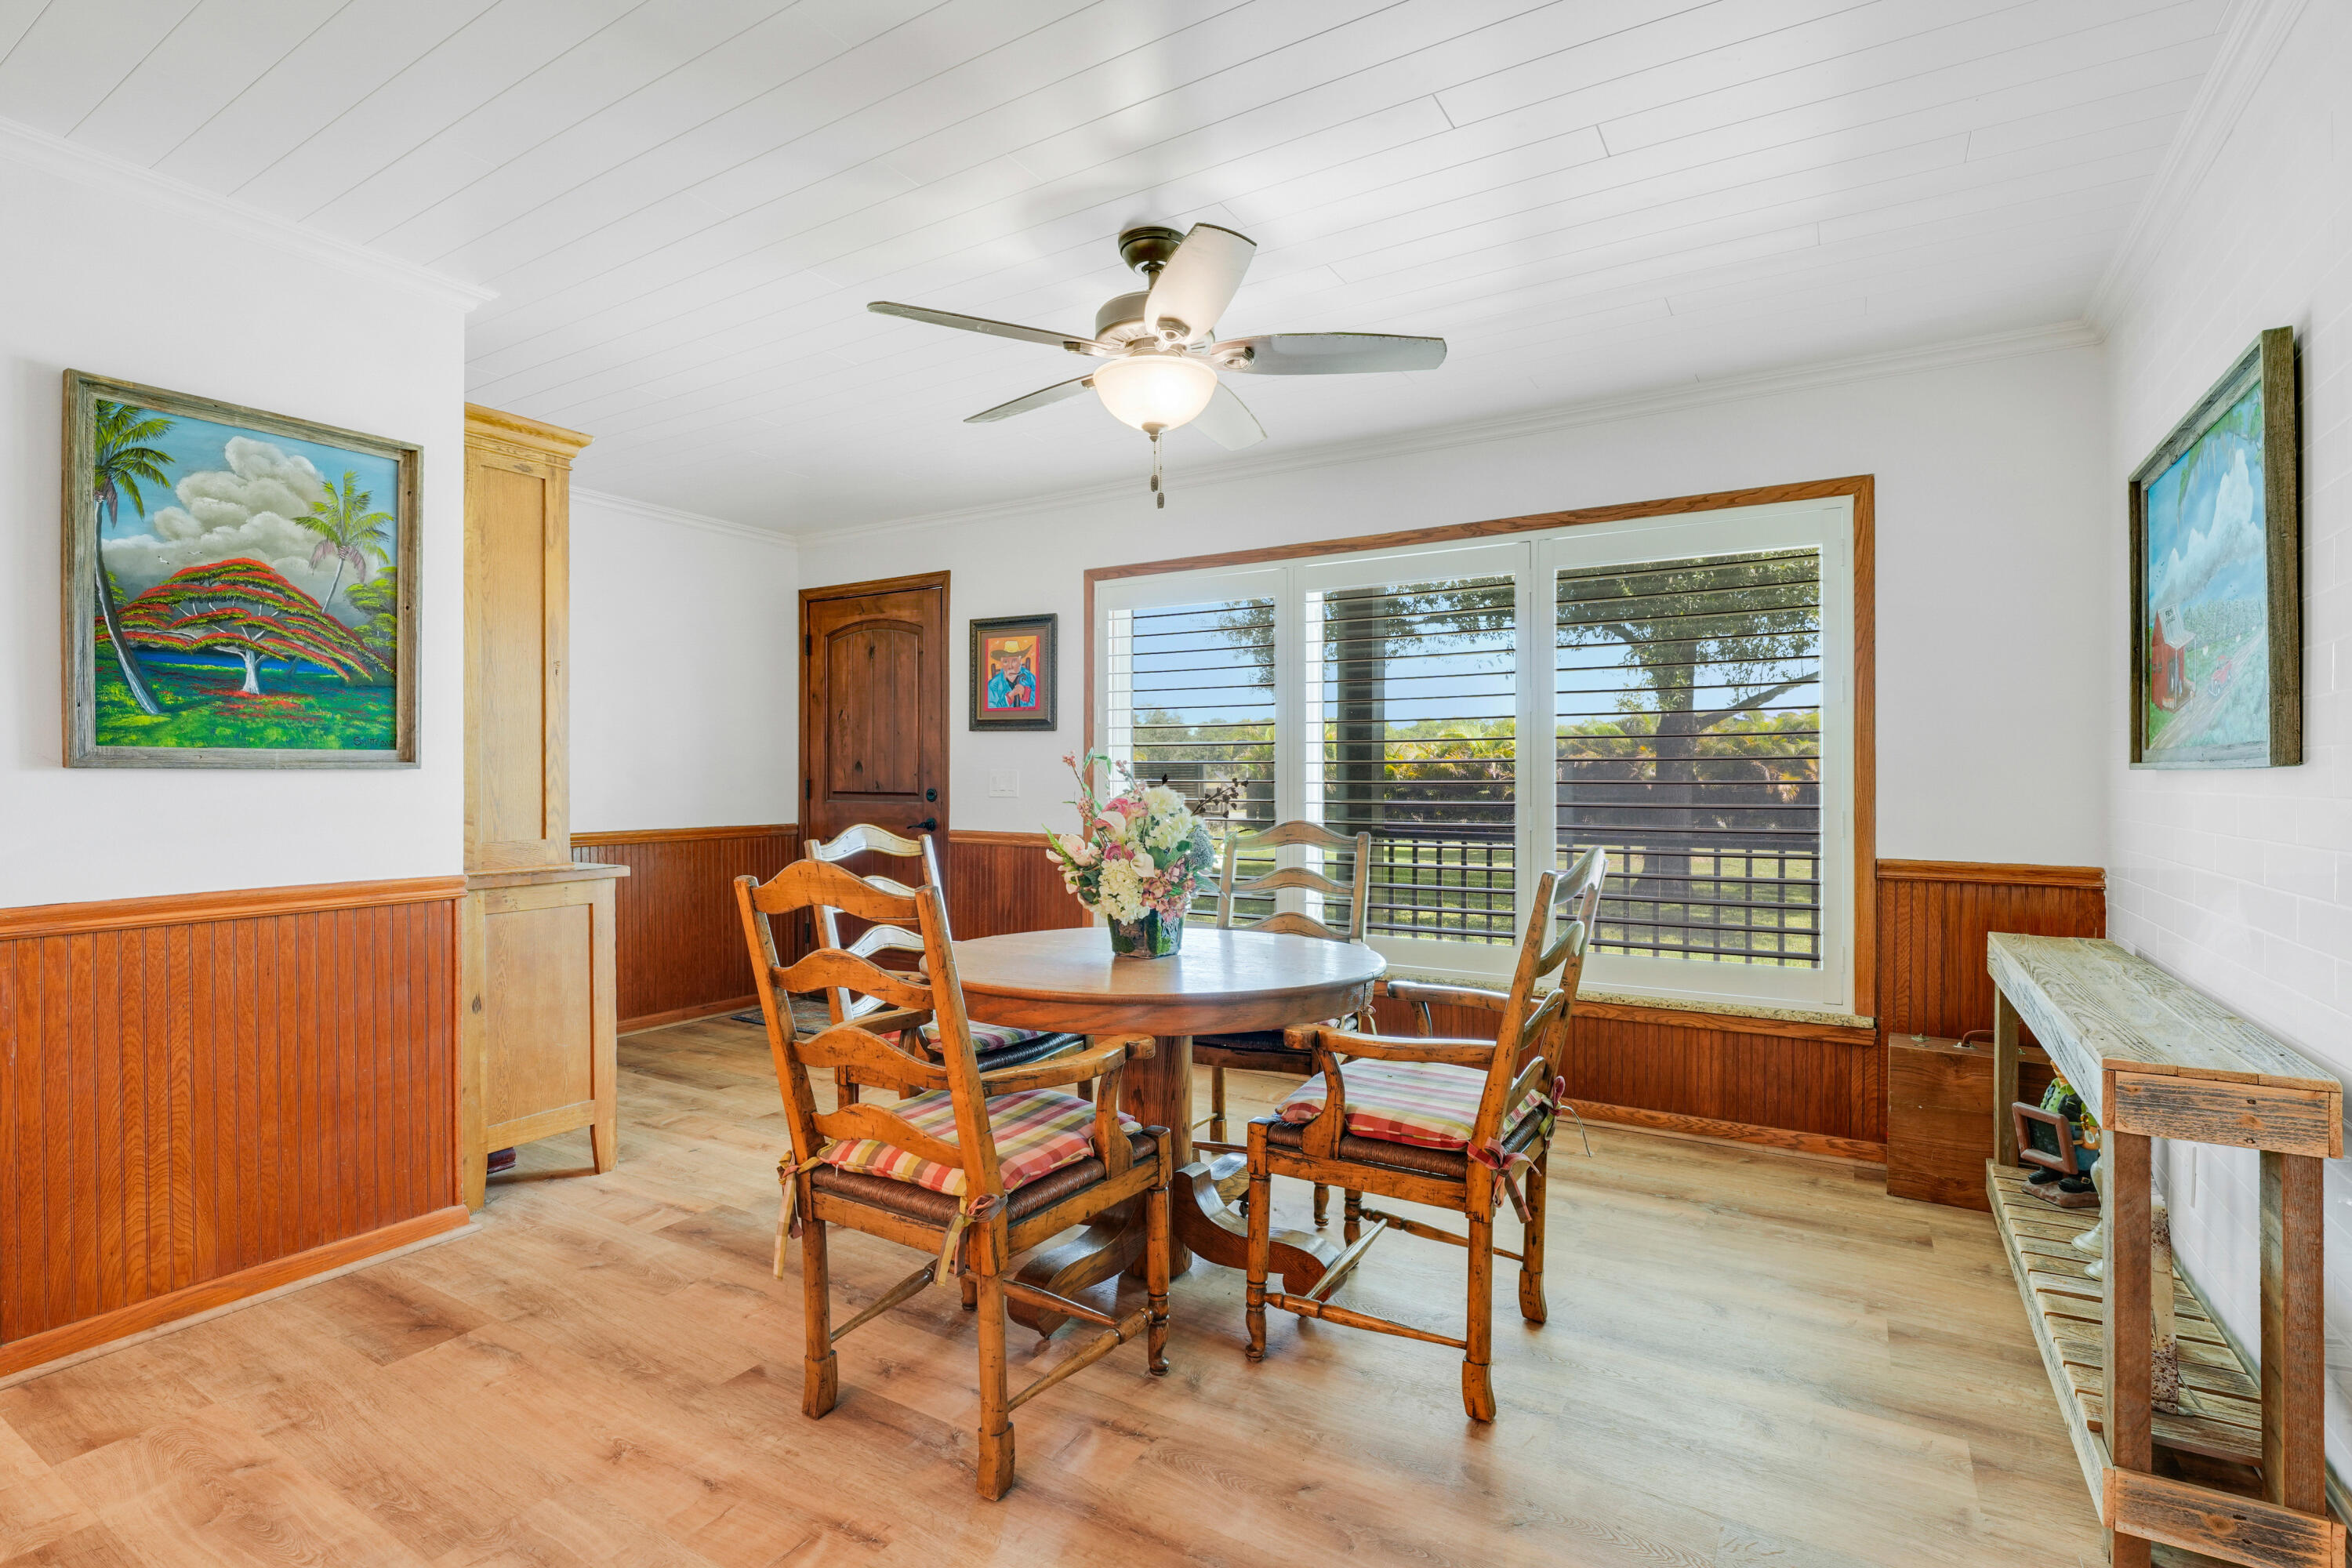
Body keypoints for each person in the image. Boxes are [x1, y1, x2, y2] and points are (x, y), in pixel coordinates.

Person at [986, 640, 1036, 710]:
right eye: (1006, 661)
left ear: (1020, 661)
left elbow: (1041, 703)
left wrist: (1025, 692)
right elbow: (990, 710)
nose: (1010, 666)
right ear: (1001, 663)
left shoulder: (1031, 678)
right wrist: (1009, 697)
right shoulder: (993, 684)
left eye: (1014, 660)